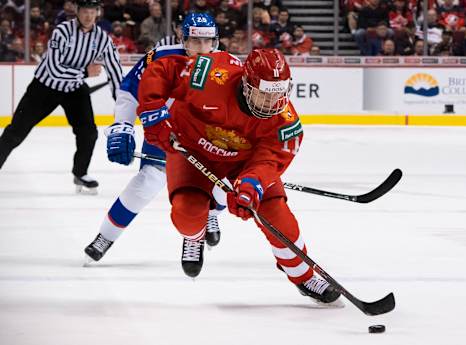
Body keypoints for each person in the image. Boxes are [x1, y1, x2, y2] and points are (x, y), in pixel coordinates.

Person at [134, 47, 342, 305]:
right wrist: (153, 111)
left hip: (243, 162)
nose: (272, 103)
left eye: (278, 95)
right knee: (187, 215)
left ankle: (303, 275)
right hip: (192, 149)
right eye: (264, 94)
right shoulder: (210, 74)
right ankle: (195, 236)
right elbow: (163, 69)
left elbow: (270, 160)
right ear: (246, 84)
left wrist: (251, 184)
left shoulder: (286, 123)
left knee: (275, 213)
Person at [84, 12, 225, 267]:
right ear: (184, 39)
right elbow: (129, 90)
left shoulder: (228, 64)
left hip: (209, 140)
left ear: (216, 41)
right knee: (146, 183)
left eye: (208, 42)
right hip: (165, 134)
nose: (202, 49)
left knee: (224, 185)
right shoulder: (160, 57)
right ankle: (105, 237)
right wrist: (122, 126)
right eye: (195, 41)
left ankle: (211, 213)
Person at [0, 0, 123, 194]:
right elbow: (54, 68)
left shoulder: (102, 39)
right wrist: (84, 73)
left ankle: (80, 173)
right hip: (44, 87)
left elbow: (115, 71)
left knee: (88, 132)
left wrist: (122, 101)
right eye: (85, 11)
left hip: (74, 89)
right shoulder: (62, 31)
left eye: (92, 11)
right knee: (16, 131)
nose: (89, 16)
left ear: (97, 13)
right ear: (77, 11)